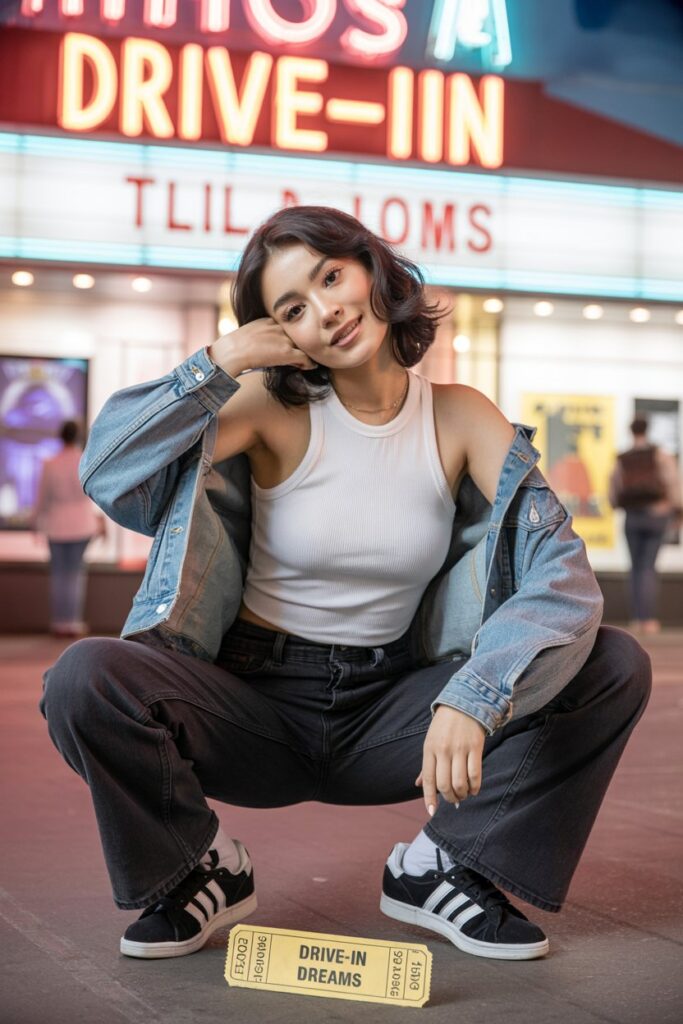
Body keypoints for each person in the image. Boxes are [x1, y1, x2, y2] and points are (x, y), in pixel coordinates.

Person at [40, 206, 651, 964]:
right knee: (85, 678)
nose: (325, 309)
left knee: (611, 662)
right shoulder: (265, 410)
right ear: (276, 332)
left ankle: (441, 869)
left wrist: (475, 694)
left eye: (331, 276)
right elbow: (108, 473)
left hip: (395, 709)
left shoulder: (459, 416)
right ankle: (197, 867)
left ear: (371, 269)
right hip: (253, 705)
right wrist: (219, 361)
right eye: (291, 307)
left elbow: (560, 571)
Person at [609, 416, 682, 635]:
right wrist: (677, 511)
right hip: (656, 516)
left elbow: (613, 489)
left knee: (635, 568)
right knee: (648, 567)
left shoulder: (624, 458)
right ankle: (649, 619)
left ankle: (637, 619)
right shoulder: (660, 455)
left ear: (631, 431)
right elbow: (673, 483)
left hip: (632, 516)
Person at [33, 419, 106, 638]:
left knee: (59, 574)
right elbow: (94, 494)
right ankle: (72, 622)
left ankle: (59, 622)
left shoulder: (50, 463)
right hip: (83, 526)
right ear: (78, 437)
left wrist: (35, 523)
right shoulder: (85, 460)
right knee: (75, 574)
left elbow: (42, 498)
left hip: (56, 526)